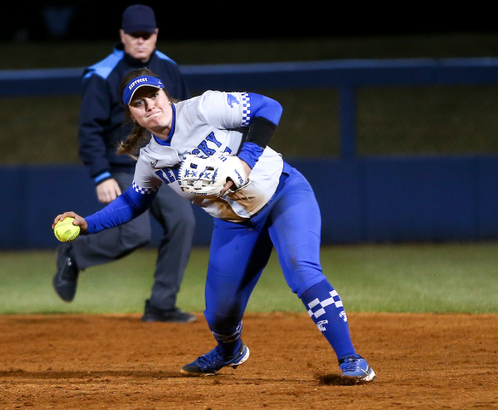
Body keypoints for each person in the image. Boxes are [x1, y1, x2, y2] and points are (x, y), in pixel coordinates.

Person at [52, 67, 376, 381]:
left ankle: (351, 359)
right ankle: (229, 350)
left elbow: (269, 107)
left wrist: (245, 159)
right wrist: (86, 223)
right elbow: (134, 202)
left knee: (302, 272)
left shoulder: (204, 108)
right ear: (132, 114)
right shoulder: (151, 158)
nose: (150, 105)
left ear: (165, 95)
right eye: (139, 102)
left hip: (282, 193)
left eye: (153, 95)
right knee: (219, 314)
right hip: (234, 224)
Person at [52, 4, 196, 323]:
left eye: (147, 34)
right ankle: (73, 254)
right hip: (122, 165)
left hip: (163, 161)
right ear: (122, 35)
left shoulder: (168, 68)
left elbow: (183, 115)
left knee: (183, 221)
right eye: (135, 35)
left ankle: (161, 304)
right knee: (134, 234)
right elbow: (89, 130)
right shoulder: (103, 73)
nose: (141, 40)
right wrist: (101, 175)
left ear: (156, 35)